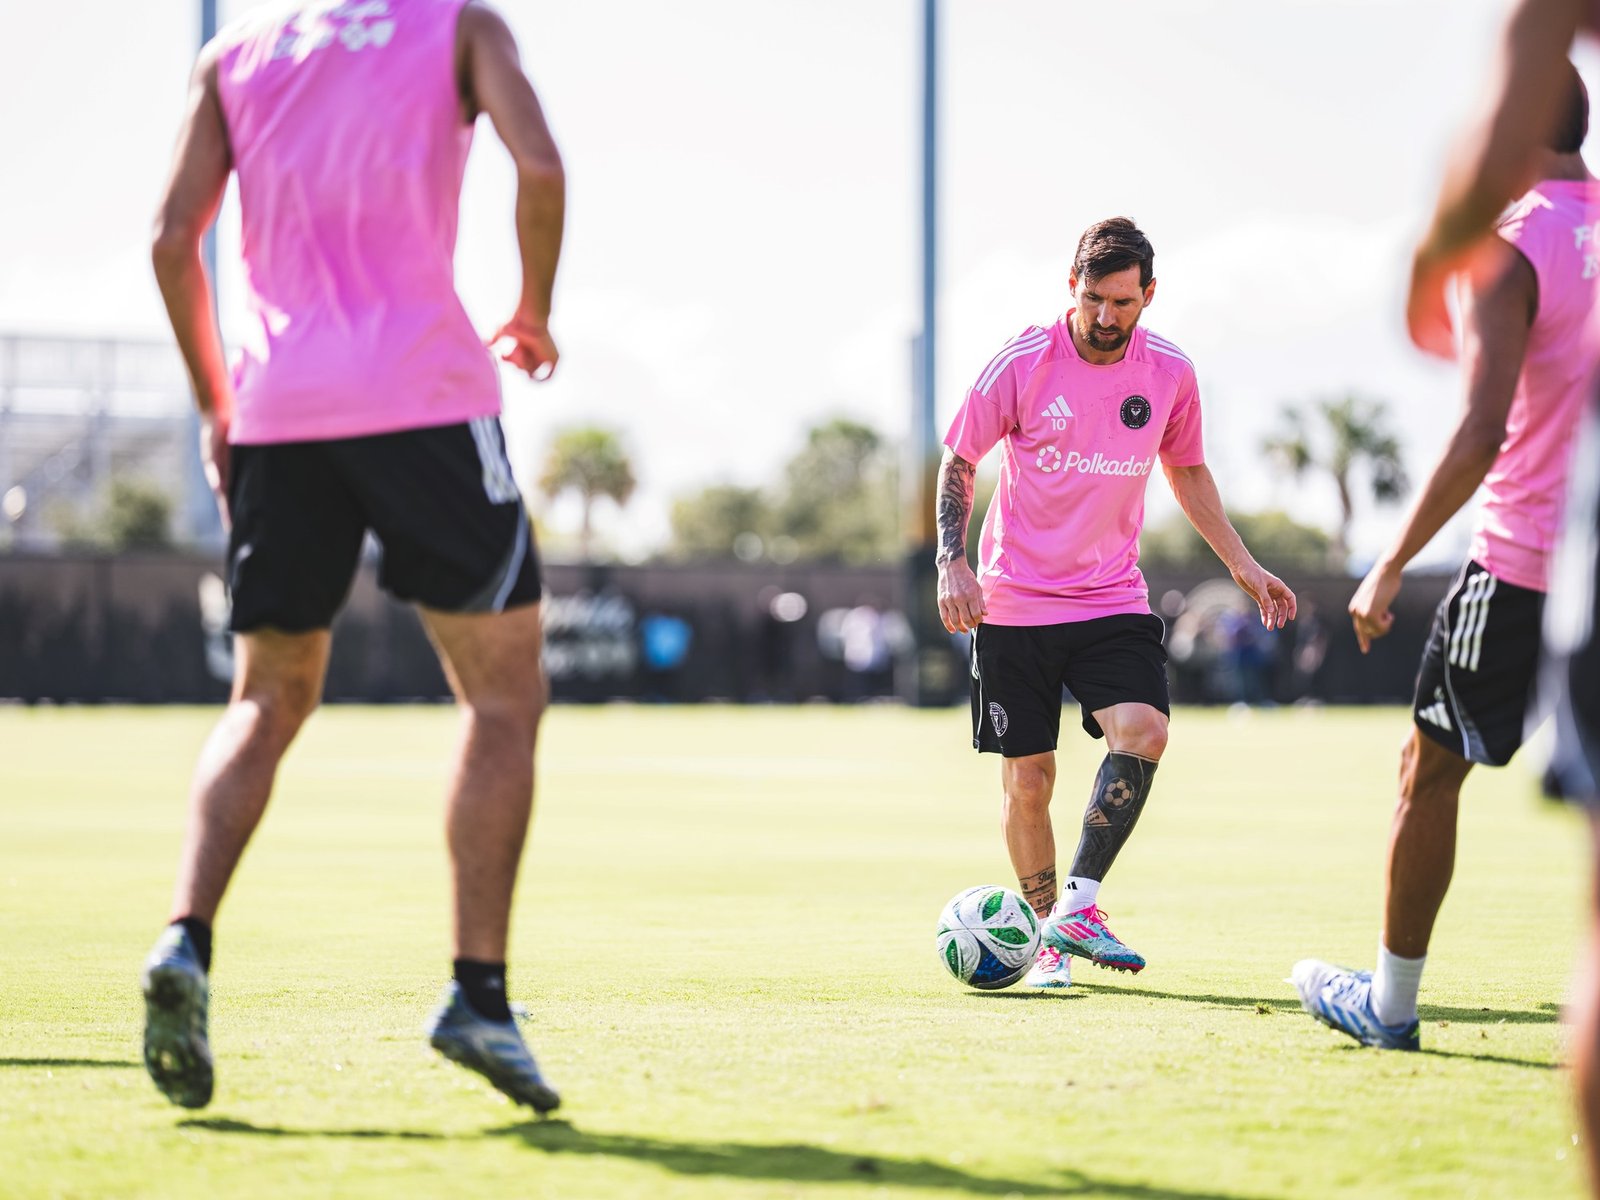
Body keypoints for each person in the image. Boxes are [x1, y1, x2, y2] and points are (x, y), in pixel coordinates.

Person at [142, 0, 565, 1112]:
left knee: (265, 698)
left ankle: (185, 940)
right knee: (503, 698)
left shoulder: (233, 53)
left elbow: (168, 238)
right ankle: (478, 995)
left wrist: (217, 406)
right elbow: (542, 168)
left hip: (280, 410)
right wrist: (533, 310)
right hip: (421, 395)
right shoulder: (460, 24)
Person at [1292, 63, 1600, 1052]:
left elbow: (1479, 434)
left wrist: (1388, 563)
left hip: (1519, 567)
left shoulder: (1507, 251)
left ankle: (1388, 1005)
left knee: (1426, 773)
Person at [935, 217, 1297, 989]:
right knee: (1028, 781)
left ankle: (1079, 907)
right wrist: (951, 561)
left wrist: (1244, 566)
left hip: (1109, 598)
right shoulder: (1024, 361)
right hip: (1014, 604)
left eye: (1123, 302)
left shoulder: (1169, 372)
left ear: (1149, 295)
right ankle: (1045, 944)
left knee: (1146, 731)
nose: (1107, 317)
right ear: (1073, 287)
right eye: (1095, 298)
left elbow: (1189, 474)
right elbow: (961, 458)